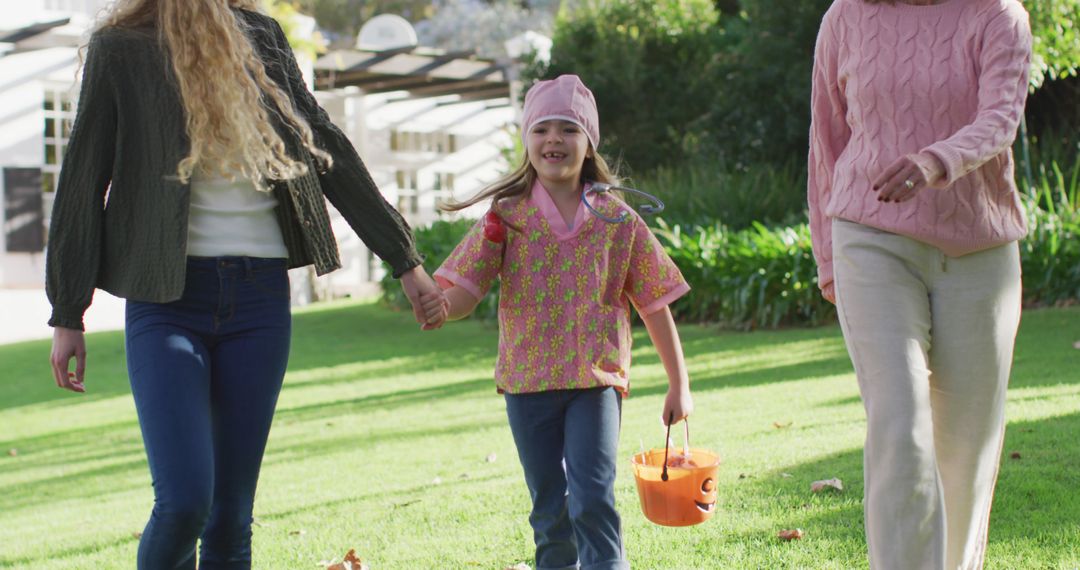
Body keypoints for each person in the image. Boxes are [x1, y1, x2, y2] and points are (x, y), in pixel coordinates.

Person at [45, 1, 447, 568]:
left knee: (231, 514)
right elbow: (83, 177)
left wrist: (404, 260)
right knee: (185, 502)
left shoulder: (261, 36)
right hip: (166, 302)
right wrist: (67, 310)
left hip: (259, 299)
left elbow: (322, 143)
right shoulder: (124, 48)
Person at [424, 74, 694, 570]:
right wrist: (442, 306)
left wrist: (679, 384)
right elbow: (466, 288)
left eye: (568, 129)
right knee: (550, 509)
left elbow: (654, 302)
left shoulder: (617, 219)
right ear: (527, 141)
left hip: (595, 385)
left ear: (588, 143)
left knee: (592, 498)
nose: (554, 139)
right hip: (528, 387)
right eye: (541, 128)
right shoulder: (505, 216)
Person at [807, 0, 1032, 568]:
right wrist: (828, 256)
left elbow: (1001, 118)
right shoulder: (845, 16)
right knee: (900, 425)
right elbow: (825, 143)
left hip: (979, 249)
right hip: (870, 237)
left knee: (965, 453)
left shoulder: (998, 14)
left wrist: (934, 161)